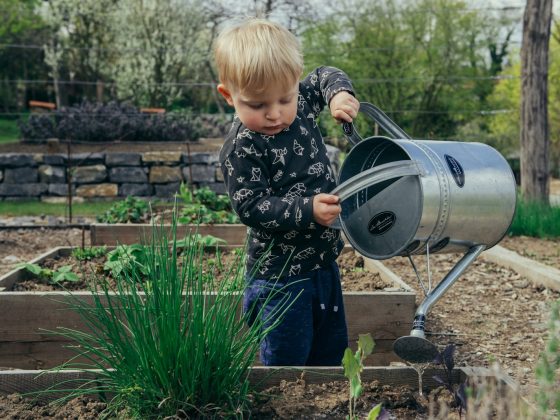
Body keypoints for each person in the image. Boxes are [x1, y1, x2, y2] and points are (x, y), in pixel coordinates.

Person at [214, 17, 360, 366]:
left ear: (296, 83)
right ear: (228, 95)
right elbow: (251, 206)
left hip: (324, 264)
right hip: (280, 278)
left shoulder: (304, 102)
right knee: (287, 359)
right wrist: (307, 210)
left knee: (330, 350)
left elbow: (325, 74)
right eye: (257, 105)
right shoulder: (242, 148)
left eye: (284, 98)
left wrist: (339, 94)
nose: (275, 114)